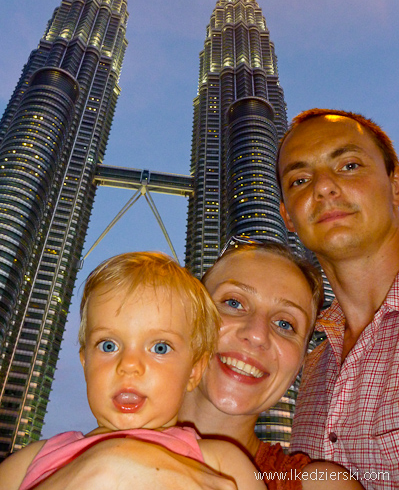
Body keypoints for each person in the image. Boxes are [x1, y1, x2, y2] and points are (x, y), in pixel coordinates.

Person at [12, 242, 364, 490]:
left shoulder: (317, 484)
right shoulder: (40, 457)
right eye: (233, 302)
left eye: (286, 323)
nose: (257, 335)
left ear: (303, 357)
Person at [0, 251, 265, 490]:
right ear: (85, 361)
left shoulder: (223, 462)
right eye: (108, 345)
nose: (128, 365)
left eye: (160, 348)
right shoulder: (30, 460)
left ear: (194, 371)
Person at [277, 108, 399, 489]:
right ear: (288, 218)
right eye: (299, 179)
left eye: (348, 165)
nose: (322, 187)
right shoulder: (313, 363)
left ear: (395, 186)